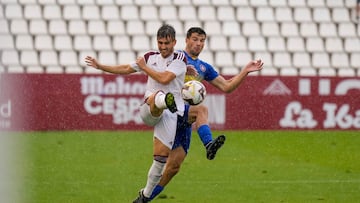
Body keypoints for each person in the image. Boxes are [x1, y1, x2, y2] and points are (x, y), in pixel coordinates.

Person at [147, 27, 264, 201]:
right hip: (171, 111)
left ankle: (144, 198)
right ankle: (209, 144)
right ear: (186, 40)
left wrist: (245, 71)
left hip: (185, 120)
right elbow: (159, 69)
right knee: (202, 109)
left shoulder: (204, 67)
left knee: (173, 168)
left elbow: (226, 86)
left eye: (202, 40)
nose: (198, 43)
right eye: (195, 39)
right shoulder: (176, 56)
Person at [84, 24, 188, 203]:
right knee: (159, 96)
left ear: (175, 42)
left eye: (167, 43)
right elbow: (126, 69)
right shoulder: (150, 56)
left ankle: (145, 195)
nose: (163, 47)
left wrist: (144, 68)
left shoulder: (179, 58)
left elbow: (165, 78)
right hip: (149, 108)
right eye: (160, 43)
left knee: (161, 159)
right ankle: (164, 100)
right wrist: (101, 66)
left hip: (172, 114)